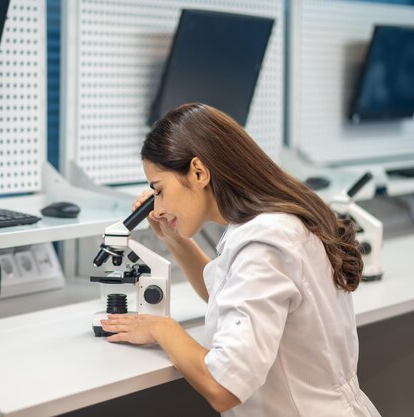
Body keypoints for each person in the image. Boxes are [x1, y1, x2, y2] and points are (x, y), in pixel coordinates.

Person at [100, 103, 381, 416]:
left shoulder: (262, 244)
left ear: (198, 172)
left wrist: (162, 329)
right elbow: (228, 296)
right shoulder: (277, 219)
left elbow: (224, 386)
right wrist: (174, 238)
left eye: (159, 189)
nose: (159, 204)